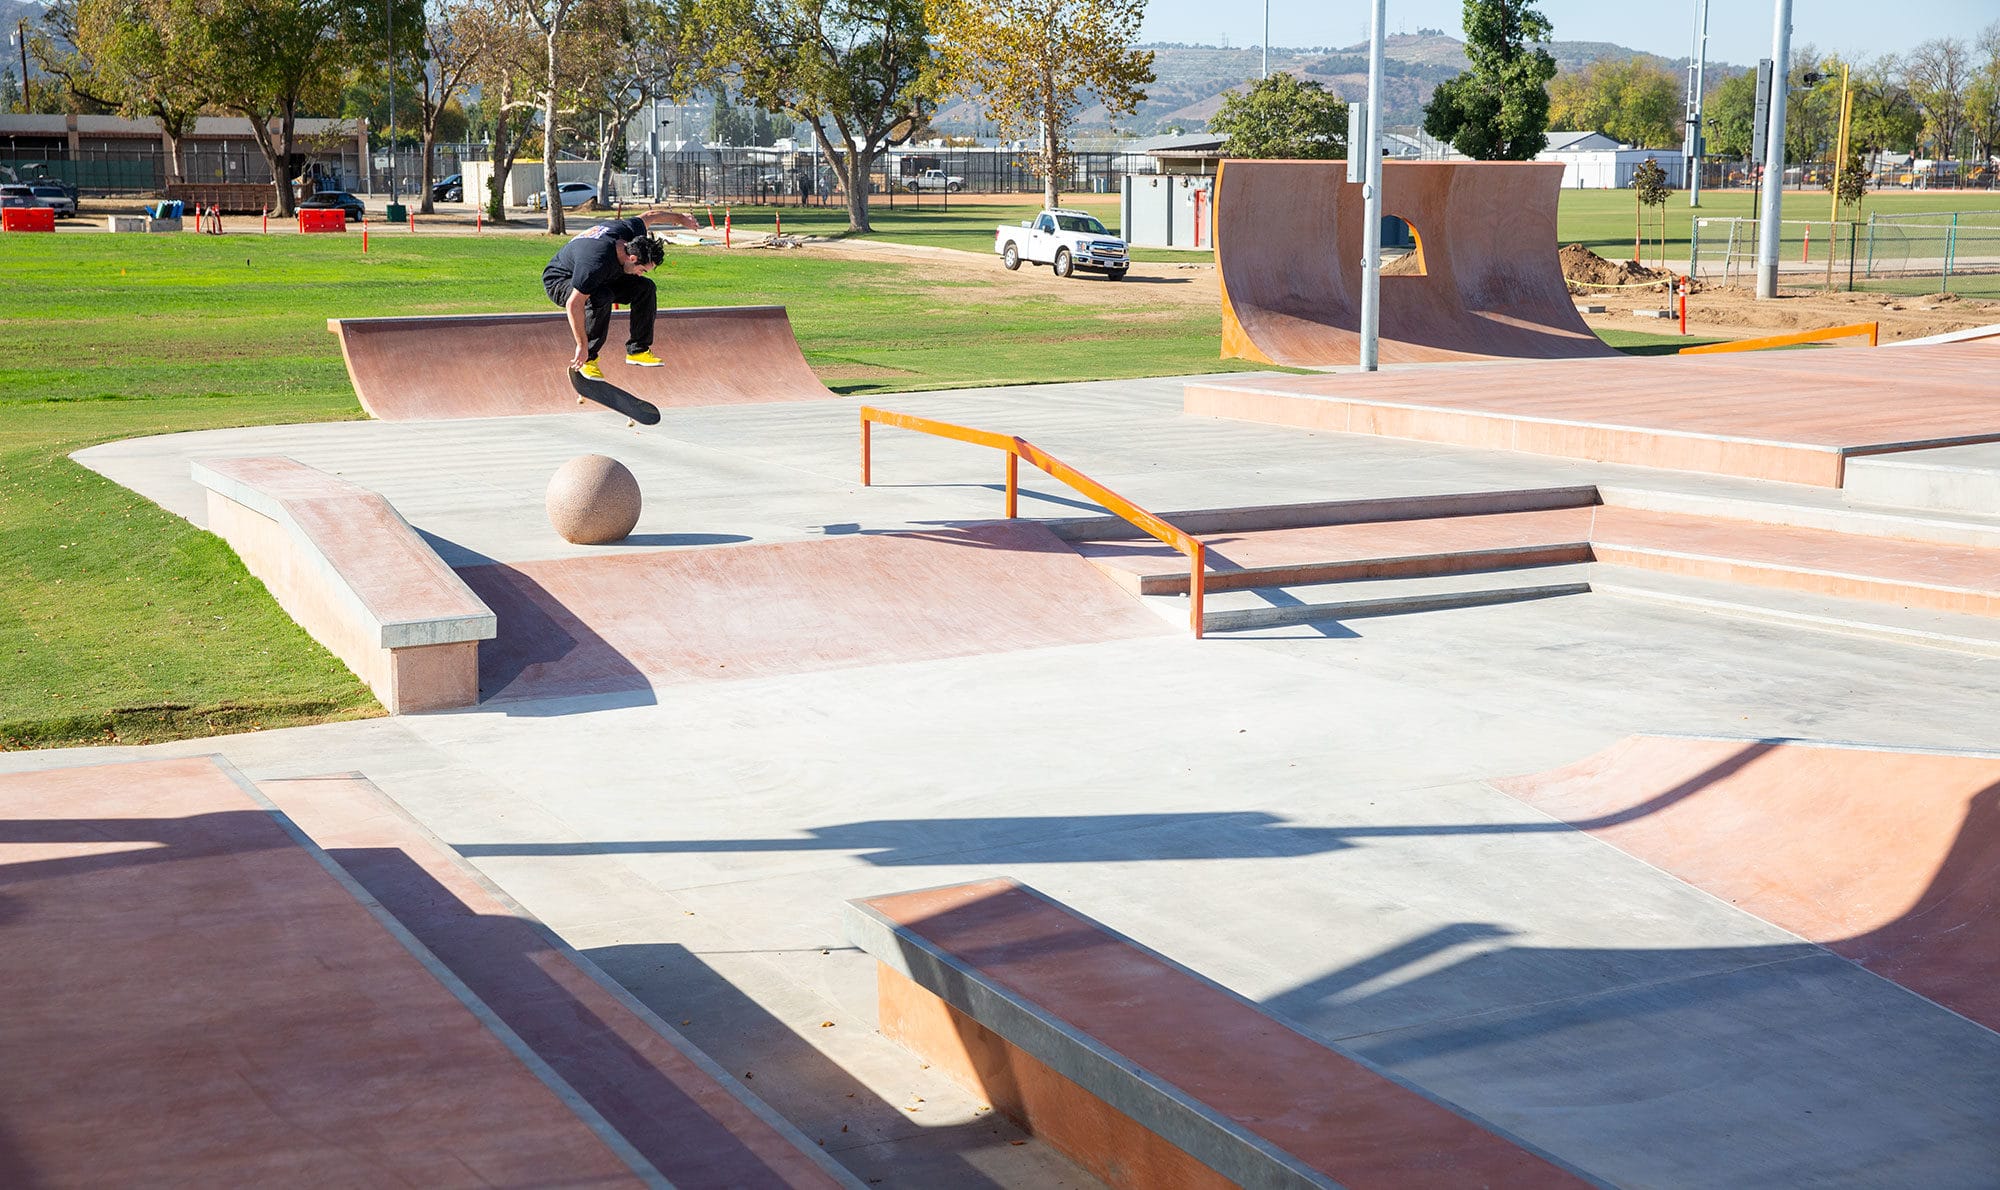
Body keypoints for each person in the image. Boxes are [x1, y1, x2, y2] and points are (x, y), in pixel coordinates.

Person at [541, 210, 692, 379]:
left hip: (604, 275)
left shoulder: (629, 231)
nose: (640, 273)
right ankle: (588, 359)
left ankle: (637, 350)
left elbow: (650, 216)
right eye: (641, 270)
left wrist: (681, 218)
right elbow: (573, 304)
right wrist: (581, 345)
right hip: (561, 280)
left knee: (645, 287)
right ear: (632, 258)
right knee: (601, 295)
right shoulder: (595, 264)